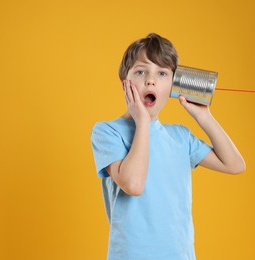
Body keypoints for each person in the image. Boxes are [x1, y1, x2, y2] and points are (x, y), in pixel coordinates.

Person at [90, 33, 245, 260]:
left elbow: (234, 164)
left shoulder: (180, 137)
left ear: (173, 85)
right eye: (141, 72)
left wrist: (204, 117)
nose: (150, 80)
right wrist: (142, 121)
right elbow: (133, 184)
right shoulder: (108, 132)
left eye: (162, 73)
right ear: (125, 81)